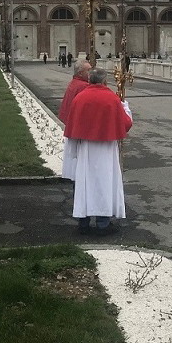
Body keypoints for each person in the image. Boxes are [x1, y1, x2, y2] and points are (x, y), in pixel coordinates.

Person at [63, 68, 133, 234]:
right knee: (104, 185)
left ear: (89, 80)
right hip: (106, 150)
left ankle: (83, 223)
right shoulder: (111, 98)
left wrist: (72, 152)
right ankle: (103, 224)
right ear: (104, 81)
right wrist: (126, 107)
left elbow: (71, 126)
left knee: (84, 186)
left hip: (86, 149)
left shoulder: (80, 98)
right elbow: (126, 123)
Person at [58, 61, 93, 181]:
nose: (91, 73)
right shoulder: (83, 86)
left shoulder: (75, 83)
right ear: (80, 72)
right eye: (88, 70)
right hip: (79, 130)